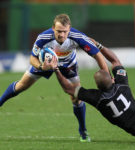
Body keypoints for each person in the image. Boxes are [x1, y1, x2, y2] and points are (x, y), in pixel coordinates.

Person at [0, 14, 109, 142]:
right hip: (45, 64)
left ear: (70, 29)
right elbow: (32, 58)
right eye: (58, 31)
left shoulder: (78, 37)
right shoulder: (43, 37)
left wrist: (108, 76)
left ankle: (83, 131)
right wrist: (41, 66)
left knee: (76, 97)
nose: (61, 34)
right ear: (53, 28)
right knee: (22, 85)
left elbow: (98, 56)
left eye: (64, 31)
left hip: (68, 65)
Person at [52, 40, 135, 139]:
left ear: (98, 87)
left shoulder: (97, 98)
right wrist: (98, 45)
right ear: (112, 79)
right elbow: (115, 60)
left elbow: (68, 89)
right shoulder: (122, 84)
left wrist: (56, 69)